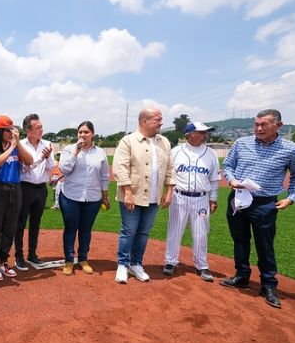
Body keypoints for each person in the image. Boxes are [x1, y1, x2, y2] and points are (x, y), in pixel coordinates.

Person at [220, 109, 295, 309]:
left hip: (265, 203)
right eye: (256, 124)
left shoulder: (291, 149)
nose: (258, 128)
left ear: (278, 125)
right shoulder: (242, 143)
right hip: (239, 198)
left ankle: (268, 285)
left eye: (264, 124)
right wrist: (231, 179)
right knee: (240, 240)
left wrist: (291, 198)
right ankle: (242, 275)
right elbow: (228, 165)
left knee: (264, 245)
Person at [113, 108, 174, 284]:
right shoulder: (128, 141)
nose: (161, 123)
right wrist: (128, 193)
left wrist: (169, 191)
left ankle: (136, 263)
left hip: (154, 197)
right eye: (157, 119)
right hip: (132, 195)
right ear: (144, 121)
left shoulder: (164, 142)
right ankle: (123, 264)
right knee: (129, 231)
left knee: (144, 232)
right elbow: (120, 168)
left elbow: (170, 168)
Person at [162, 121, 220, 282]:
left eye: (205, 132)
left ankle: (202, 265)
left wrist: (213, 198)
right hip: (178, 196)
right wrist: (167, 193)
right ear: (190, 134)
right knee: (175, 230)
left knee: (201, 233)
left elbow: (214, 179)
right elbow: (168, 175)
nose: (205, 135)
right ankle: (170, 262)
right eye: (201, 132)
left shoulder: (211, 154)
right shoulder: (176, 152)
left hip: (201, 198)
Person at [0, 115, 32, 281]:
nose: (11, 133)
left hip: (15, 189)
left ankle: (4, 261)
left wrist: (16, 144)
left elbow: (30, 160)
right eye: (7, 130)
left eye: (12, 129)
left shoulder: (16, 146)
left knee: (10, 228)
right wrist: (11, 148)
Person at [58, 121, 110, 275]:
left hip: (93, 198)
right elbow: (64, 169)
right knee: (70, 229)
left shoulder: (100, 152)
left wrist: (105, 196)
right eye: (80, 132)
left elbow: (104, 176)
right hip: (71, 196)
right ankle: (68, 260)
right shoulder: (68, 149)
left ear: (92, 134)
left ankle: (82, 259)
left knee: (86, 230)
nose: (82, 135)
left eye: (86, 132)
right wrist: (76, 152)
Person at [14, 113, 55, 271]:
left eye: (41, 126)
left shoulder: (47, 143)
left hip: (41, 189)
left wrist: (49, 156)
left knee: (36, 223)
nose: (41, 130)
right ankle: (19, 256)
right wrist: (41, 158)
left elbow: (51, 166)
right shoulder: (21, 145)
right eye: (38, 127)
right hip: (25, 187)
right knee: (20, 223)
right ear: (28, 130)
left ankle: (32, 254)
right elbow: (25, 167)